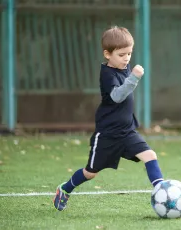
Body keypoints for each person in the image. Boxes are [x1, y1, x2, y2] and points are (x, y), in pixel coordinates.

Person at [53, 26, 164, 211]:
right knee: (90, 173)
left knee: (150, 156)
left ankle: (162, 190)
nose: (127, 58)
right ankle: (65, 189)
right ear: (107, 54)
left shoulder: (124, 66)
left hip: (127, 132)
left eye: (129, 53)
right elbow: (117, 96)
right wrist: (134, 78)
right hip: (107, 135)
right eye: (121, 55)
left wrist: (130, 73)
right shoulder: (107, 74)